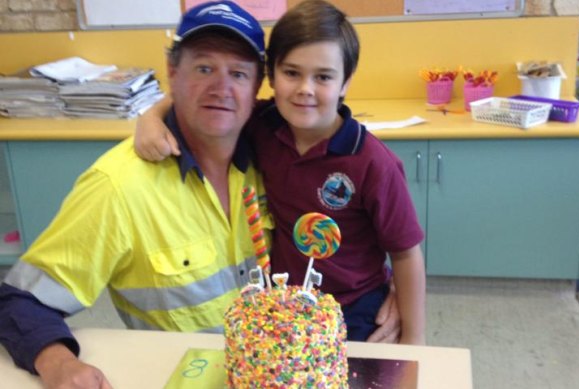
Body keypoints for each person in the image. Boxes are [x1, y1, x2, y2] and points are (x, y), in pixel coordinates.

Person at [0, 2, 270, 388]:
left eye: (239, 73)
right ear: (172, 72)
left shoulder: (277, 155)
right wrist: (58, 364)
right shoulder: (119, 187)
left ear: (257, 87)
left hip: (277, 369)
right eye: (204, 68)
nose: (221, 88)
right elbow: (19, 301)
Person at [135, 0, 426, 345]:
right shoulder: (262, 123)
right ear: (270, 76)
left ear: (346, 81)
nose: (305, 88)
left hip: (355, 310)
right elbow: (200, 100)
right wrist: (150, 117)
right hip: (284, 307)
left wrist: (414, 342)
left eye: (323, 77)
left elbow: (406, 253)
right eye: (292, 73)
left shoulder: (372, 162)